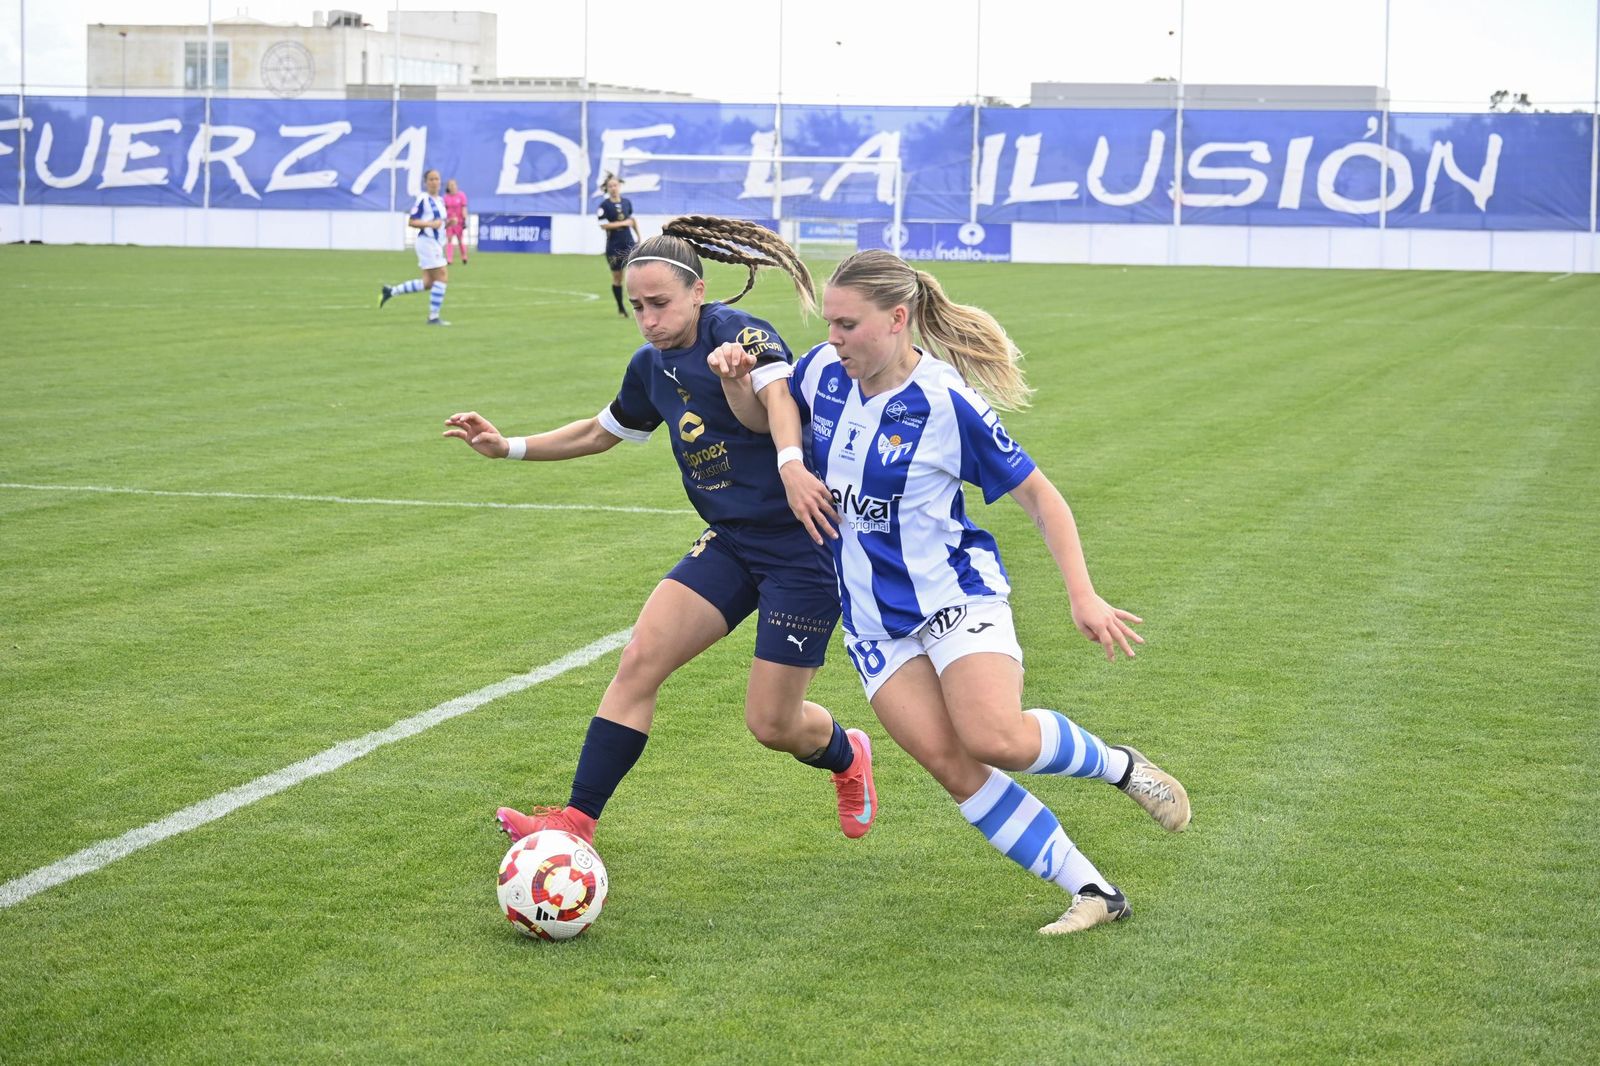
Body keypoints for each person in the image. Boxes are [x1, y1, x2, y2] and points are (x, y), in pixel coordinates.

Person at [709, 248, 1190, 936]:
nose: (833, 337)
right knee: (952, 764)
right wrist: (737, 386)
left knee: (997, 738)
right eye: (830, 323)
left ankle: (1121, 767)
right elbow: (764, 420)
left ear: (897, 319)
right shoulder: (821, 372)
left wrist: (1083, 596)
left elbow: (1039, 496)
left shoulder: (945, 402)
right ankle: (1092, 890)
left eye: (848, 324)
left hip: (954, 599)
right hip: (874, 623)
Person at [442, 215, 878, 852]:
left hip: (801, 546)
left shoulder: (739, 334)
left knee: (773, 723)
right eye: (638, 306)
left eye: (661, 304)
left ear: (698, 292)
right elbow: (600, 432)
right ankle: (576, 821)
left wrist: (789, 464)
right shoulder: (650, 366)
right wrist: (506, 446)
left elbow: (779, 400)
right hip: (731, 541)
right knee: (640, 662)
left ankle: (846, 754)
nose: (648, 318)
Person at [379, 168, 451, 326]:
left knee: (428, 283)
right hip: (427, 242)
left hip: (436, 243)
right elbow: (412, 221)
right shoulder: (423, 199)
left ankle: (391, 291)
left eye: (437, 179)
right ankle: (433, 317)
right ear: (425, 183)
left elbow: (439, 223)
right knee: (442, 276)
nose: (434, 182)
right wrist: (430, 224)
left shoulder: (440, 200)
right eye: (431, 179)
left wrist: (448, 223)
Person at [597, 173, 640, 317]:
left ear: (619, 186)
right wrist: (623, 223)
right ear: (607, 188)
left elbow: (632, 220)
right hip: (614, 246)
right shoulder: (604, 206)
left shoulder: (627, 202)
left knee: (638, 272)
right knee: (617, 277)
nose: (613, 188)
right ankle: (621, 307)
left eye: (615, 185)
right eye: (610, 186)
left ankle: (640, 305)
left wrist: (638, 236)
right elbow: (603, 226)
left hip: (629, 242)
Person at [443, 177, 469, 265]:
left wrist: (465, 219)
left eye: (453, 185)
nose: (452, 187)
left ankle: (464, 256)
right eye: (450, 185)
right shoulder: (446, 197)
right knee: (449, 239)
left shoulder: (461, 195)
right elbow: (444, 210)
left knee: (460, 239)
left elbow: (464, 207)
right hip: (449, 221)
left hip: (459, 221)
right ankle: (449, 259)